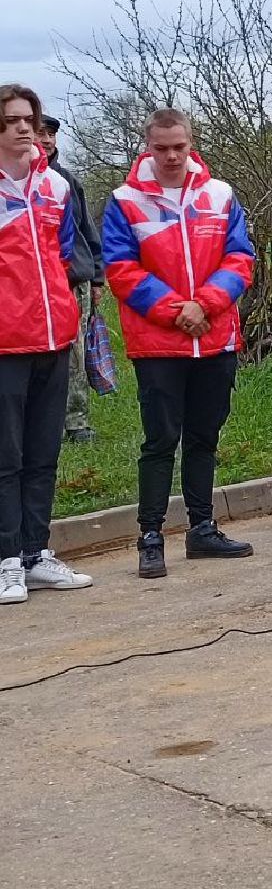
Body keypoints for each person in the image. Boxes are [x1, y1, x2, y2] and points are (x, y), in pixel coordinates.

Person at [103, 108, 256, 578]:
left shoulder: (220, 194)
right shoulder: (125, 200)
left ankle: (202, 529)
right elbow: (121, 269)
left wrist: (205, 305)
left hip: (213, 338)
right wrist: (177, 310)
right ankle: (150, 535)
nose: (171, 156)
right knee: (161, 440)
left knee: (204, 438)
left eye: (179, 147)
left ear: (192, 143)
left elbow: (240, 257)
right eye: (161, 148)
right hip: (158, 343)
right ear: (146, 146)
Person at [0, 84, 92, 605]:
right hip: (4, 343)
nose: (23, 128)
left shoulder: (55, 186)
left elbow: (63, 256)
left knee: (42, 454)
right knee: (5, 457)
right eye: (11, 120)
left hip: (53, 337)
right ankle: (5, 558)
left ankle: (35, 554)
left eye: (28, 119)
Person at [37, 115, 105, 443]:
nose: (46, 139)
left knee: (75, 354)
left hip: (73, 280)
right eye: (40, 133)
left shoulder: (65, 181)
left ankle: (77, 423)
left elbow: (86, 231)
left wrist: (96, 279)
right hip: (32, 283)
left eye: (50, 134)